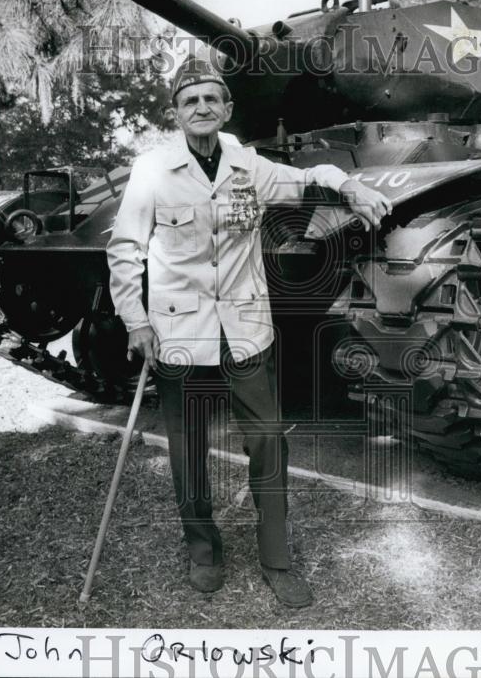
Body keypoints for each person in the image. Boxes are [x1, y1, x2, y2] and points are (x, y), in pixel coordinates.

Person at [106, 57, 391, 608]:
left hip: (244, 330)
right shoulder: (152, 172)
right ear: (176, 113)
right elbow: (125, 250)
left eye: (212, 99)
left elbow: (309, 177)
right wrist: (135, 320)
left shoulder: (249, 165)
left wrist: (349, 186)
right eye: (190, 101)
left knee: (267, 442)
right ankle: (203, 550)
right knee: (188, 449)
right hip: (178, 332)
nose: (201, 108)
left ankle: (277, 558)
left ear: (228, 108)